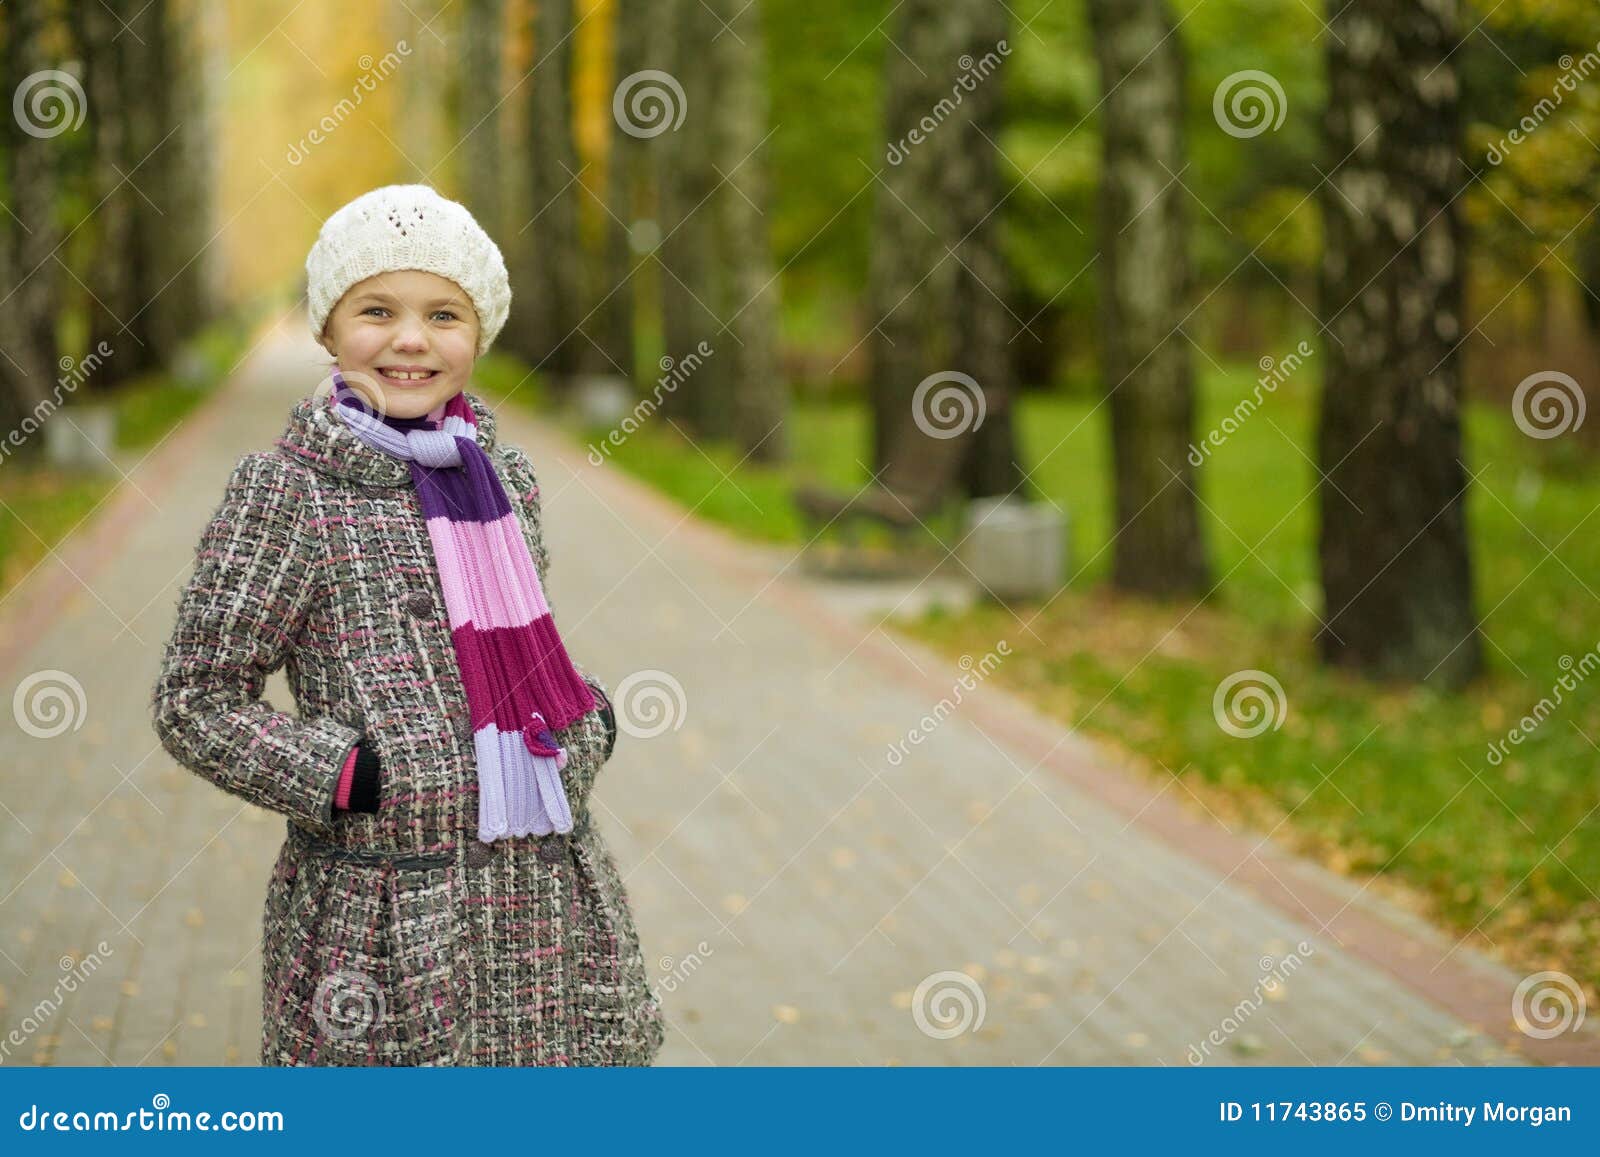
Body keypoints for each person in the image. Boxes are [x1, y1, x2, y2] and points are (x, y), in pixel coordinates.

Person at [151, 183, 666, 1066]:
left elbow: (516, 660)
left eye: (444, 314)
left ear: (478, 334)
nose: (411, 340)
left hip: (548, 897)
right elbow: (194, 700)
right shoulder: (289, 492)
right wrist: (352, 774)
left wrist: (589, 717)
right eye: (377, 310)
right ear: (328, 328)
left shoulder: (503, 480)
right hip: (386, 921)